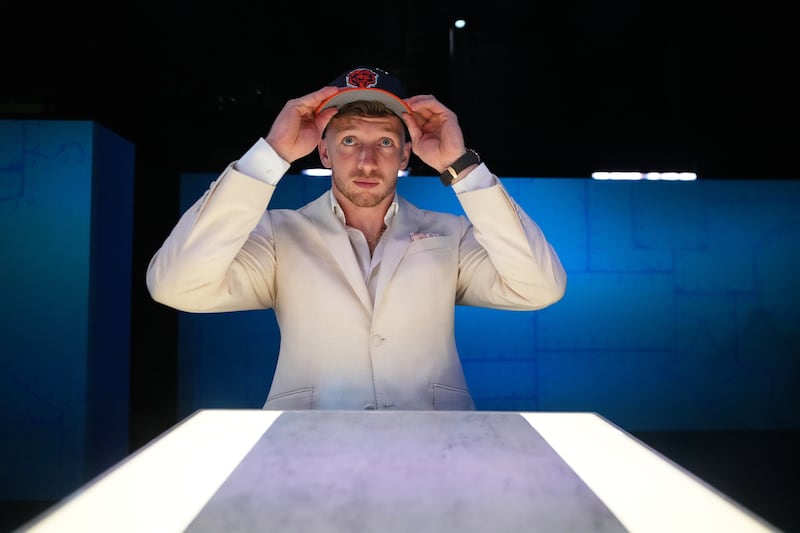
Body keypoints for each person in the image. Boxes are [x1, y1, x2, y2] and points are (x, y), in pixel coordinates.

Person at [146, 66, 566, 411]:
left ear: (405, 155)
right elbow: (175, 285)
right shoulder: (278, 235)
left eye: (385, 141)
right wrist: (271, 153)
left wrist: (463, 167)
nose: (366, 161)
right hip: (306, 453)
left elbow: (539, 288)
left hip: (435, 450)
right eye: (349, 140)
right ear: (324, 153)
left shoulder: (449, 234)